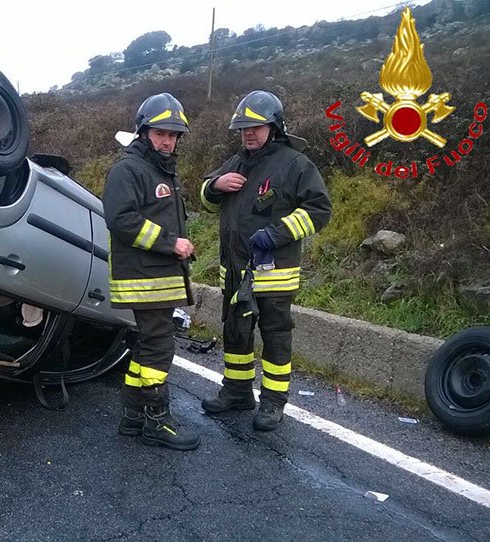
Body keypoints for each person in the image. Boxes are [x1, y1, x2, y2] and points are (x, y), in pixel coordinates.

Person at [199, 90, 332, 431]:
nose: (249, 133)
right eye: (244, 128)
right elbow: (207, 203)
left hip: (274, 275)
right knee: (236, 334)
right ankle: (237, 392)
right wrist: (215, 185)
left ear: (274, 127)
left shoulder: (295, 164)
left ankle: (273, 402)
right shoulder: (235, 163)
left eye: (256, 127)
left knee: (275, 337)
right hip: (235, 273)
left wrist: (277, 233)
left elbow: (319, 210)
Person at [102, 93, 200, 451]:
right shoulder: (129, 168)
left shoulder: (158, 168)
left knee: (148, 346)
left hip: (155, 275)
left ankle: (132, 415)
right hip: (144, 277)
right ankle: (157, 420)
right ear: (144, 132)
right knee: (159, 347)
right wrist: (170, 243)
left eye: (173, 136)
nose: (167, 141)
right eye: (160, 133)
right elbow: (121, 219)